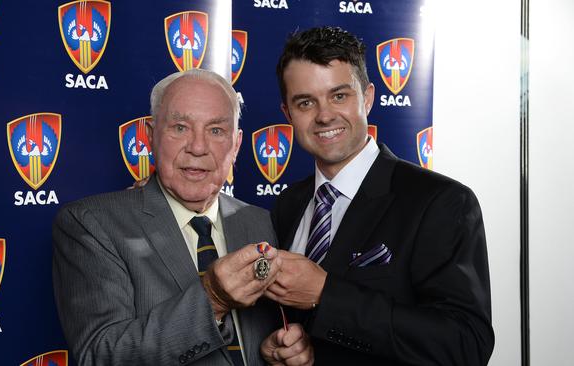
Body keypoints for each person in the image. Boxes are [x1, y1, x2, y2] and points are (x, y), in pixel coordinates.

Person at [264, 26, 494, 365]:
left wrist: (326, 295)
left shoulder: (442, 202)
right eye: (306, 102)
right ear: (288, 114)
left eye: (339, 96)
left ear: (368, 97)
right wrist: (279, 346)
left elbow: (465, 344)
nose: (325, 114)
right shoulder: (288, 204)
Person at [52, 69, 313, 365]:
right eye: (179, 127)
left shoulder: (259, 221)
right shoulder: (91, 224)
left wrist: (277, 351)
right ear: (151, 136)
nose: (198, 147)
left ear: (236, 145)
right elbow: (100, 355)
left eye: (216, 130)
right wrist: (212, 301)